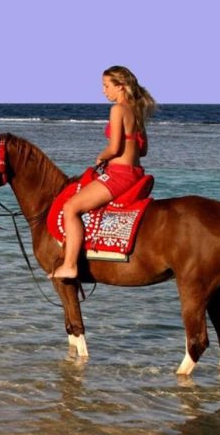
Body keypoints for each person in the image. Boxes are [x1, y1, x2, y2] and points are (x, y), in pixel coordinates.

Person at [49, 65, 156, 279]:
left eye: (107, 86)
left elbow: (115, 147)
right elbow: (142, 150)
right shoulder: (136, 111)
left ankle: (70, 265)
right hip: (135, 172)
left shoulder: (118, 110)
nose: (104, 91)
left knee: (71, 207)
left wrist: (102, 156)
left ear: (121, 86)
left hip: (119, 174)